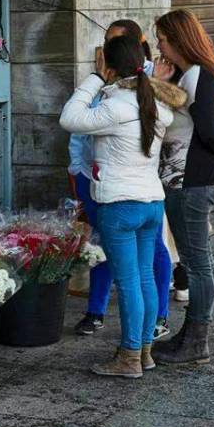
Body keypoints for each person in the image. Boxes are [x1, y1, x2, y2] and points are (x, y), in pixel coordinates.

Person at [60, 35, 186, 378]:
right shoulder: (155, 104)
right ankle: (143, 350)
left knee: (129, 281)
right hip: (151, 202)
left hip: (119, 204)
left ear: (111, 66)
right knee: (143, 277)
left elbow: (70, 118)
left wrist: (96, 78)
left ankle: (129, 355)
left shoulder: (115, 106)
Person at [152, 9, 214, 366]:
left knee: (197, 263)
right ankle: (192, 332)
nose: (159, 45)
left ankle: (197, 339)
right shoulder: (193, 74)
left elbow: (209, 129)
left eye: (163, 39)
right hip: (189, 179)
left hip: (190, 181)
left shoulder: (198, 75)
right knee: (199, 260)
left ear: (179, 40)